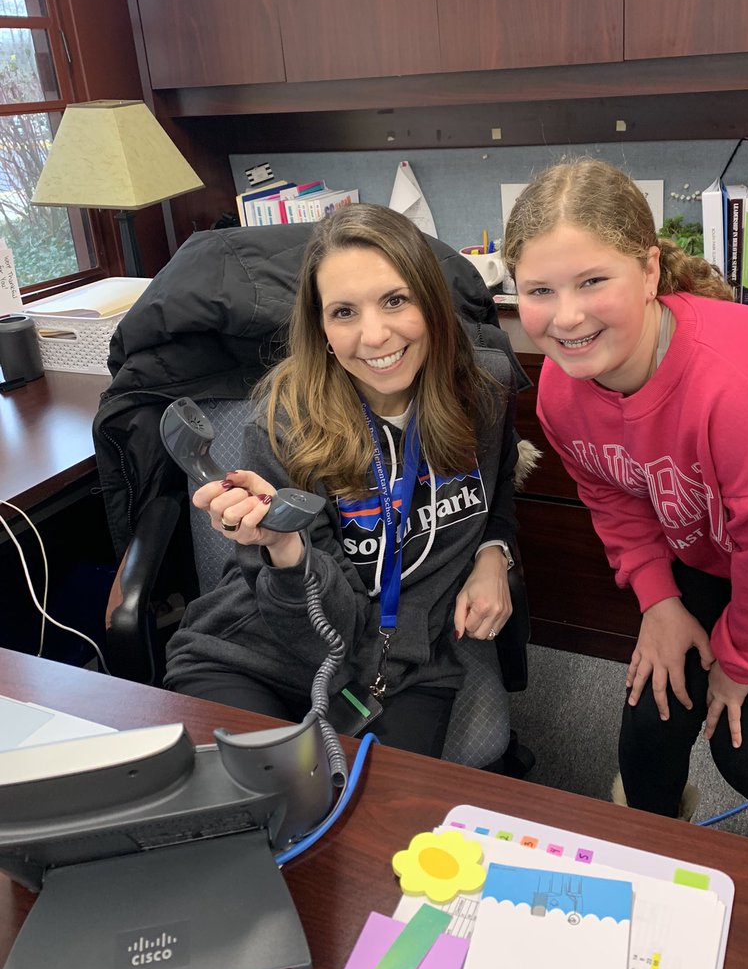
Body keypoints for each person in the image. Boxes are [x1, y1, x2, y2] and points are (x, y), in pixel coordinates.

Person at [503, 157, 748, 952]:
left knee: (743, 745)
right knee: (648, 729)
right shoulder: (560, 387)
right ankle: (656, 858)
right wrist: (658, 600)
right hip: (707, 534)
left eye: (591, 282)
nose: (564, 316)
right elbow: (613, 494)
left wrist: (742, 660)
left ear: (650, 268)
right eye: (538, 290)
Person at [165, 203, 519, 760]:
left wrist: (495, 552)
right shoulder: (284, 424)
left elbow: (497, 492)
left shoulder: (485, 393)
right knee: (252, 815)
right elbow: (321, 628)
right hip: (267, 649)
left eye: (395, 301)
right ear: (322, 327)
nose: (374, 336)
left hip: (406, 666)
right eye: (344, 312)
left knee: (376, 834)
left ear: (431, 302)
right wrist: (284, 546)